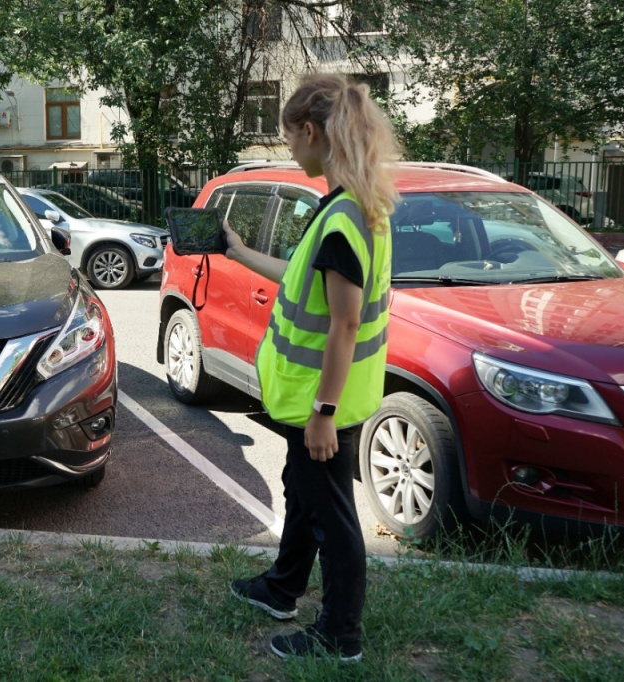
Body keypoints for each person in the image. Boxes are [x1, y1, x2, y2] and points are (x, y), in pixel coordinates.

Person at [225, 74, 400, 663]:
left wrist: (323, 414)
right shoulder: (350, 208)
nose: (288, 149)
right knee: (302, 493)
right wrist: (238, 251)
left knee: (332, 515)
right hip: (324, 398)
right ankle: (282, 587)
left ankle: (340, 636)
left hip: (323, 402)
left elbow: (345, 326)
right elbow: (307, 281)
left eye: (288, 137)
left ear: (309, 131)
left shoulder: (344, 218)